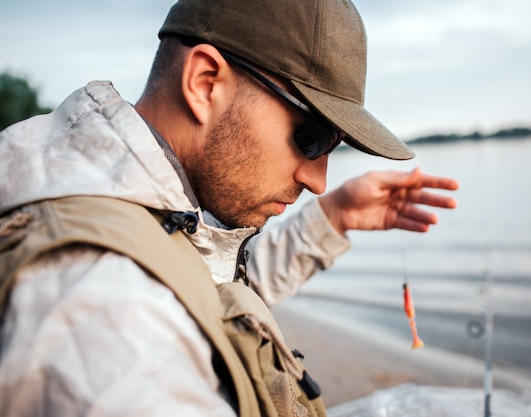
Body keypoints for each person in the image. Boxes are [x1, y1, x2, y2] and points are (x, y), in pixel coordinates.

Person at [0, 0, 458, 416]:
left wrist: (333, 219)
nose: (319, 181)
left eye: (332, 147)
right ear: (204, 83)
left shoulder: (111, 187)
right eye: (312, 136)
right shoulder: (105, 315)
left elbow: (201, 282)